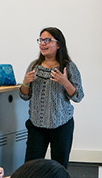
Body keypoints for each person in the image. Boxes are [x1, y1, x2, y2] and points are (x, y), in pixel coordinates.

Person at [19, 27, 84, 169]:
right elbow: (24, 95)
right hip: (37, 124)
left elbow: (78, 96)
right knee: (30, 168)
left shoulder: (68, 66)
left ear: (58, 44)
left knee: (59, 167)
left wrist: (64, 81)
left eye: (47, 40)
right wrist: (26, 82)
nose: (43, 44)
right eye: (41, 40)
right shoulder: (34, 65)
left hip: (61, 123)